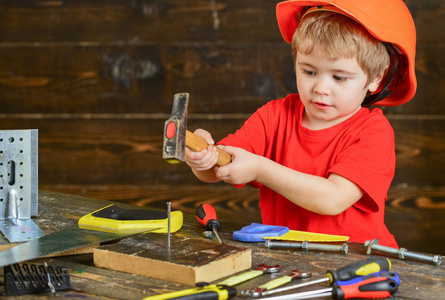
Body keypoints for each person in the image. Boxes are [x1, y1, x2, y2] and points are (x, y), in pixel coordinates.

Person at [185, 0, 416, 247]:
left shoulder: (372, 132)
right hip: (287, 259)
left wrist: (260, 169)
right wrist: (203, 158)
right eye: (309, 72)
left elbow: (332, 199)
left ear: (376, 78)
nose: (320, 89)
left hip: (356, 265)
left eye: (339, 77)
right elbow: (222, 166)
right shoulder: (274, 116)